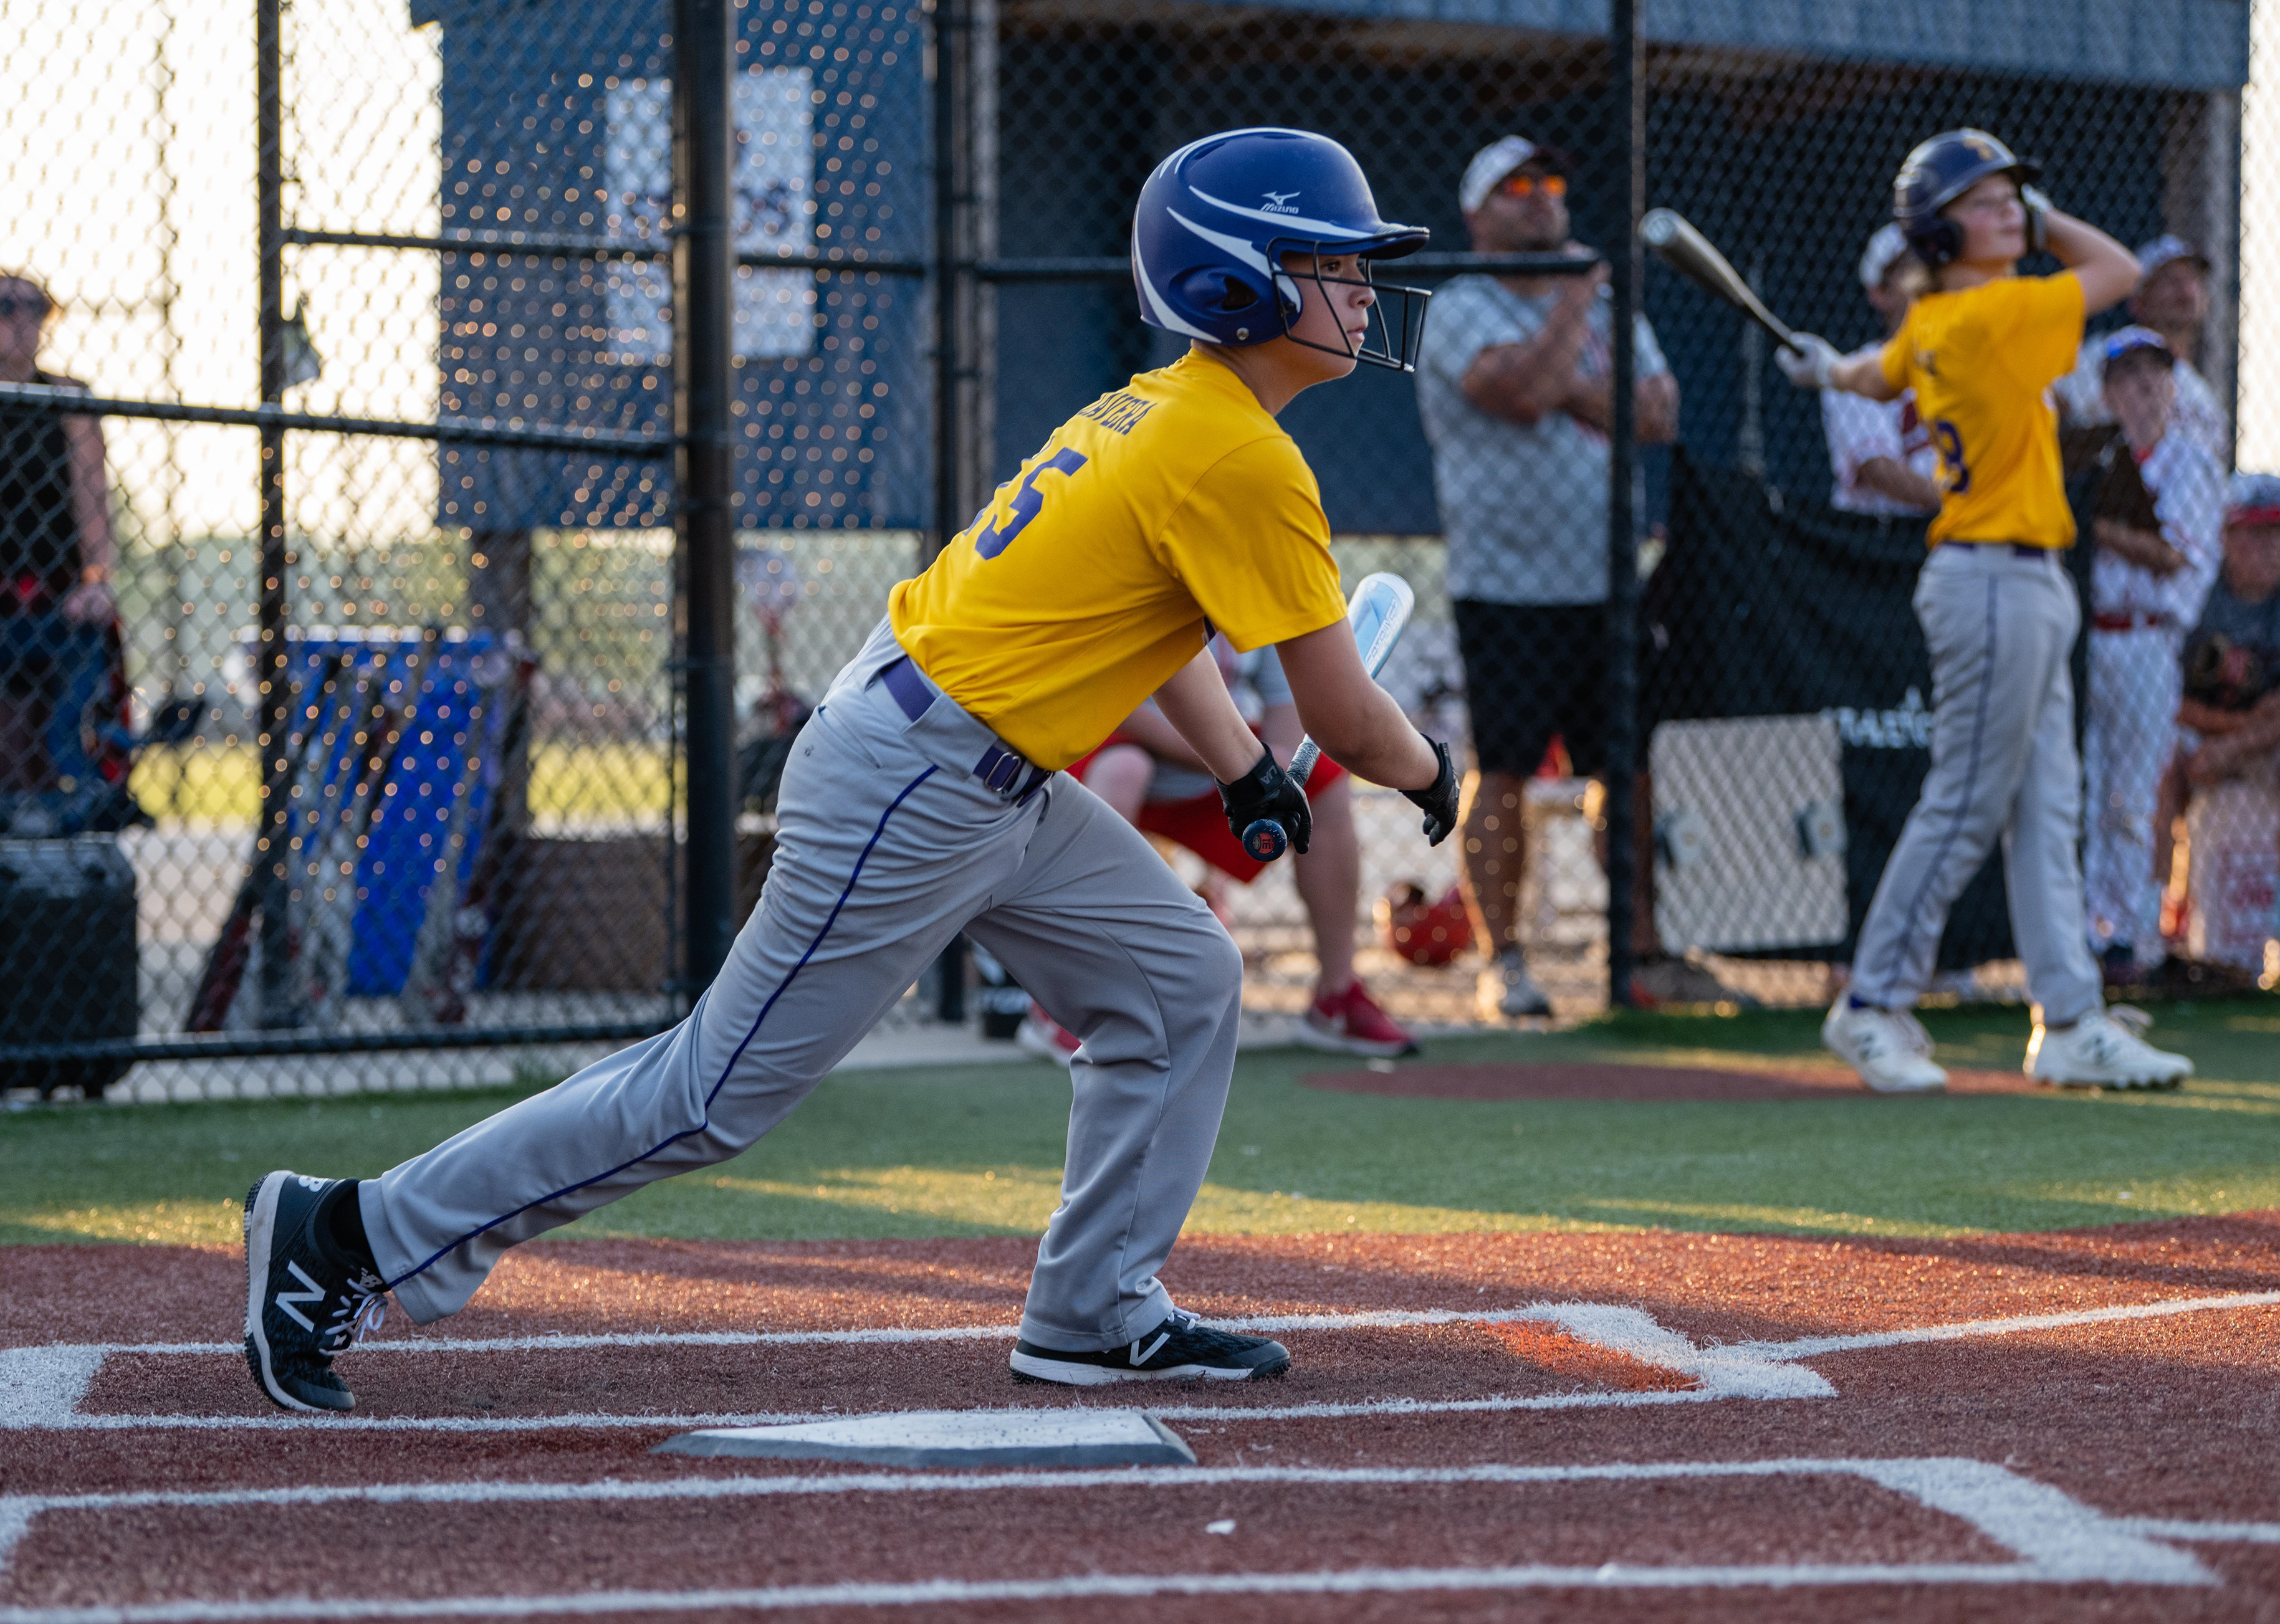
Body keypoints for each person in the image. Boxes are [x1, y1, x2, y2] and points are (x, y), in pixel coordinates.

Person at [237, 127, 1462, 1413]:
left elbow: (1154, 630)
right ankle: (350, 1234)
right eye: (1331, 263)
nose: (1362, 289)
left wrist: (1241, 763)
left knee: (1180, 980)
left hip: (981, 768)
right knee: (712, 1094)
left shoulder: (1167, 411)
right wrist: (1433, 772)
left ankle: (1096, 1310)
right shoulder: (1240, 452)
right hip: (921, 775)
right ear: (1237, 281)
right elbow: (1346, 713)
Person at [1777, 128, 2195, 1092]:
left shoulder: (1936, 318)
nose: (2009, 209)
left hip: (2020, 579)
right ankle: (1871, 1002)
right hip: (1996, 582)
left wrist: (1828, 368)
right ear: (1936, 229)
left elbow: (1879, 371)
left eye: (2015, 195)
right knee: (1967, 800)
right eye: (1984, 200)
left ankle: (2071, 1019)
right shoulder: (2001, 310)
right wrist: (2046, 223)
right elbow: (2121, 269)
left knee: (2049, 807)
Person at [1415, 135, 1713, 1021]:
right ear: (1477, 214)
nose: (1542, 196)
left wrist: (1562, 381)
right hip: (1505, 585)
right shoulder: (1463, 306)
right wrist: (1578, 307)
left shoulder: (1614, 305)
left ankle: (1642, 951)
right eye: (1516, 187)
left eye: (1549, 181)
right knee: (1503, 771)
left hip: (1609, 580)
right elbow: (1515, 393)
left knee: (1628, 769)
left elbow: (1657, 412)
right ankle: (1503, 961)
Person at [1035, 636, 1417, 1061]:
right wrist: (1239, 761)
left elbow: (1286, 715)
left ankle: (1337, 994)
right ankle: (1071, 998)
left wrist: (1277, 773)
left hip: (1224, 758)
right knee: (1124, 770)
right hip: (1121, 742)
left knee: (1324, 784)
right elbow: (1107, 698)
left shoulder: (1266, 598)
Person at [2151, 473, 2280, 985]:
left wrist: (2237, 744)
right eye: (2258, 533)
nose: (2274, 546)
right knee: (2159, 767)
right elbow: (2161, 697)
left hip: (2275, 738)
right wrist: (2239, 729)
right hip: (2208, 731)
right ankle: (2151, 927)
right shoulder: (2197, 592)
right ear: (2225, 536)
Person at [2079, 327, 2223, 980]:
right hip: (2087, 636)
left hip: (2145, 637)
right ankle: (2088, 927)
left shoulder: (2190, 461)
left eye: (2154, 373)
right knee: (2084, 789)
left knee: (2132, 796)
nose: (2143, 386)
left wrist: (2100, 530)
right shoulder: (2094, 454)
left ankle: (2131, 934)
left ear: (2172, 386)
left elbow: (2172, 555)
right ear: (2108, 392)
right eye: (2128, 376)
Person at [0, 272, 118, 800]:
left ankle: (81, 791)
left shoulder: (67, 398)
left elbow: (93, 499)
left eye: (36, 308)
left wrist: (97, 581)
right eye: (6, 307)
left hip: (53, 588)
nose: (22, 321)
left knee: (87, 644)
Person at [2054, 236, 2230, 466]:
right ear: (2139, 302)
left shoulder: (2202, 392)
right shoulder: (2104, 354)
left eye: (2193, 279)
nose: (2186, 291)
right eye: (2170, 281)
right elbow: (2057, 403)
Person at [1823, 224, 1941, 517]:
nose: (1925, 279)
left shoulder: (1967, 359)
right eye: (1910, 268)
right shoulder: (1854, 369)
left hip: (1960, 528)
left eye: (1931, 265)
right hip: (1881, 533)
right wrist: (1967, 508)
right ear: (1879, 293)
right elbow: (1879, 470)